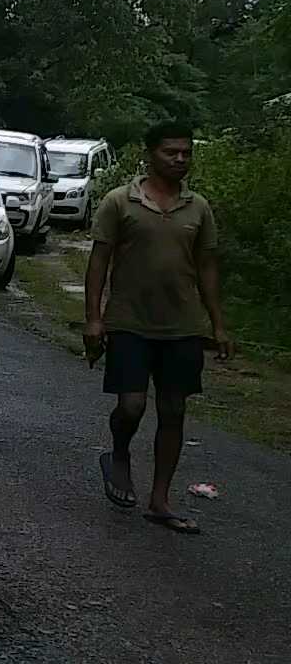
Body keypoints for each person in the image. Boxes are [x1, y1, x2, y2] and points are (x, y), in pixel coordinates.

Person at [85, 121, 231, 534]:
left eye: (186, 152)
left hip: (182, 326)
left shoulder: (198, 208)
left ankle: (160, 500)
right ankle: (118, 453)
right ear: (150, 154)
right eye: (172, 152)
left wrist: (217, 324)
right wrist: (94, 318)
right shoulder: (119, 202)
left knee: (174, 410)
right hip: (130, 322)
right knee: (132, 404)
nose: (180, 159)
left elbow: (207, 268)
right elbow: (99, 261)